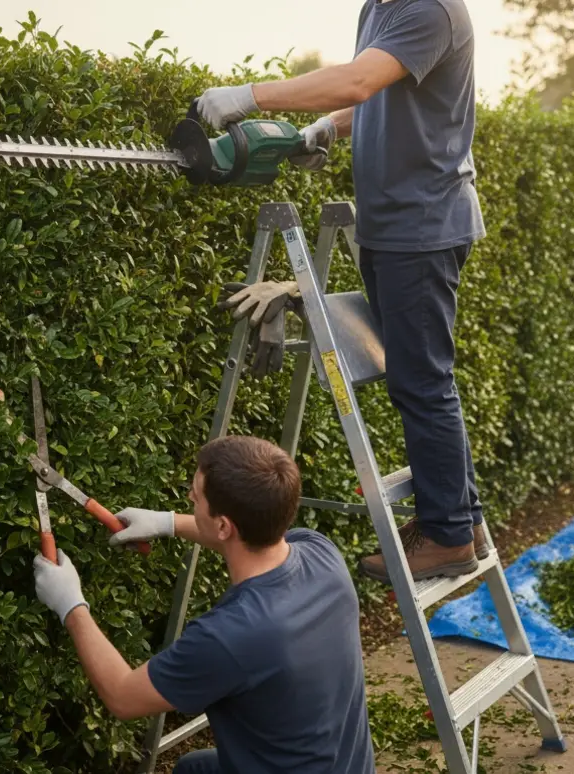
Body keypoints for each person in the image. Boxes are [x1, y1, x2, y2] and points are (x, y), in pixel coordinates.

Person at [201, 0, 488, 584]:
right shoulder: (378, 9)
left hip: (423, 226)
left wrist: (250, 96)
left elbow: (358, 81)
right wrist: (325, 127)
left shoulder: (430, 8)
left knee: (422, 381)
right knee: (420, 376)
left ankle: (451, 535)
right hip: (392, 225)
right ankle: (463, 520)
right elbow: (381, 91)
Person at [31, 435, 375, 774]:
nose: (188, 499)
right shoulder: (321, 553)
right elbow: (249, 538)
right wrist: (168, 523)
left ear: (224, 525)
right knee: (194, 768)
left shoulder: (233, 636)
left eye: (194, 499)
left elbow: (123, 696)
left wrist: (71, 605)